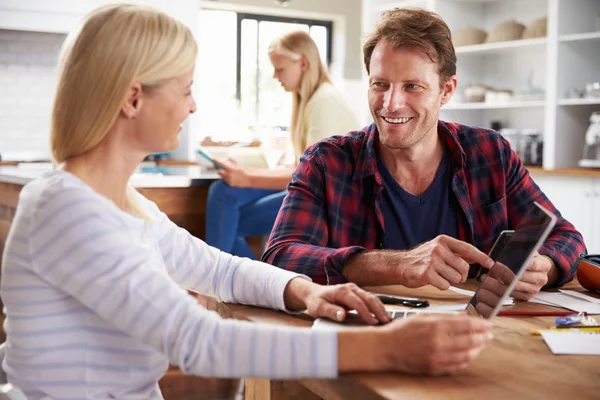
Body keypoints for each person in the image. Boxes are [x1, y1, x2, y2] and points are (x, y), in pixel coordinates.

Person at [0, 5, 493, 399]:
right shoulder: (65, 209)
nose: (192, 106)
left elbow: (222, 270)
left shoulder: (124, 205)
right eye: (186, 89)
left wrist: (307, 292)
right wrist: (381, 349)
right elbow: (199, 341)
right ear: (133, 99)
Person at [262, 8, 586, 300]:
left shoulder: (491, 154)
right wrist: (396, 265)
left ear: (446, 90)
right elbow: (280, 258)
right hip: (368, 336)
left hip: (479, 335)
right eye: (380, 85)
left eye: (412, 86)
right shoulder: (326, 162)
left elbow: (566, 238)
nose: (391, 104)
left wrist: (544, 266)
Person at [205, 30, 359, 259]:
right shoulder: (309, 101)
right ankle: (244, 285)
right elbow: (304, 169)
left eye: (280, 68)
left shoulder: (324, 101)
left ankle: (233, 285)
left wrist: (247, 177)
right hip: (314, 189)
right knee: (224, 192)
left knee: (230, 217)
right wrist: (244, 173)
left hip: (326, 200)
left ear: (304, 64)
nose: (276, 76)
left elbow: (312, 176)